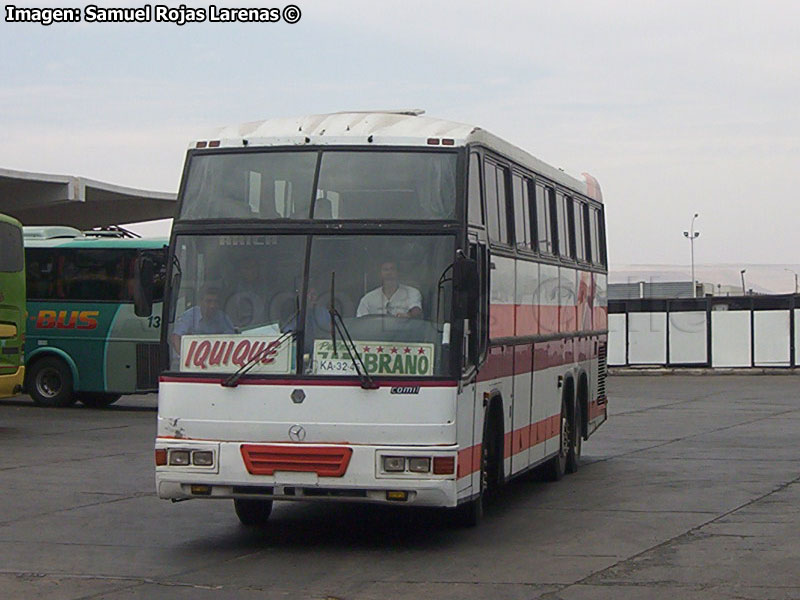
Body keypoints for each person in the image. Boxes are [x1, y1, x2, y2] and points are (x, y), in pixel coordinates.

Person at [170, 286, 235, 356]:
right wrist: (184, 358)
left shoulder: (223, 318)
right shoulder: (189, 316)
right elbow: (176, 338)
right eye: (208, 301)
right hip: (191, 359)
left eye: (215, 302)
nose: (212, 306)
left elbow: (232, 339)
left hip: (216, 360)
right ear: (200, 302)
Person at [356, 260, 423, 319]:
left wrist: (409, 315)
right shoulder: (368, 299)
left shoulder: (412, 292)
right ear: (380, 273)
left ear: (398, 272)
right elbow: (360, 321)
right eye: (385, 269)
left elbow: (416, 310)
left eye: (392, 269)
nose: (389, 273)